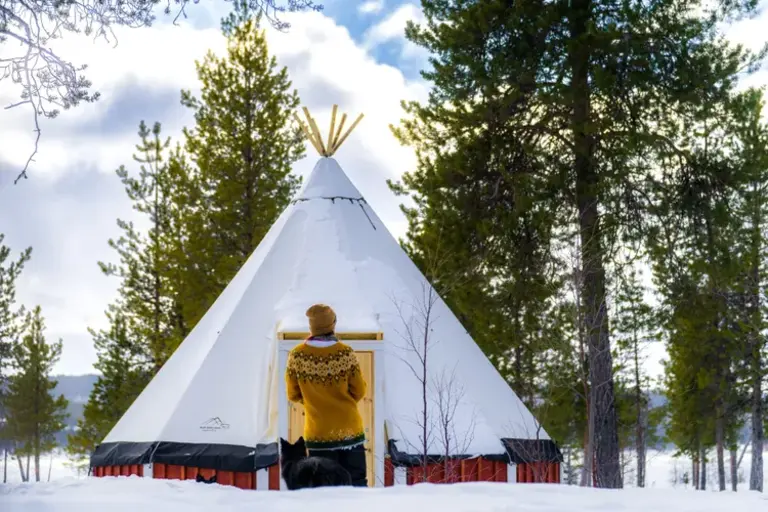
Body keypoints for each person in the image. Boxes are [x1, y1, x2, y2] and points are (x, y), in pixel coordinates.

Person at [285, 304, 368, 486]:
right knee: (357, 482)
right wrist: (342, 401)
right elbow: (360, 391)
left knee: (324, 488)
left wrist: (313, 401)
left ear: (311, 327)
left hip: (318, 434)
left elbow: (292, 394)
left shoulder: (297, 355)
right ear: (332, 325)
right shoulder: (345, 353)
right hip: (349, 430)